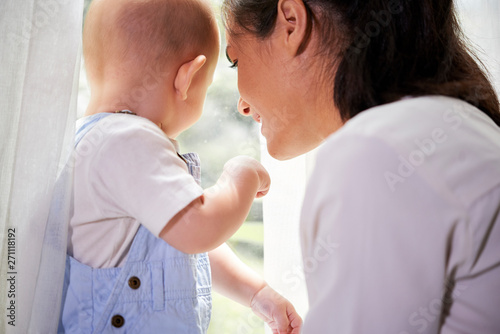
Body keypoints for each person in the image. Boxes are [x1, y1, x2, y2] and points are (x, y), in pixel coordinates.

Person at [222, 0, 500, 333]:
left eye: (234, 61)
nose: (240, 104)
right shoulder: (456, 126)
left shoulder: (375, 153)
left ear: (292, 23)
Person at [58, 0, 303, 333]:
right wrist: (239, 176)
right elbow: (198, 228)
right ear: (188, 78)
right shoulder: (129, 140)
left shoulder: (93, 142)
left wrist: (256, 293)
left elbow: (182, 242)